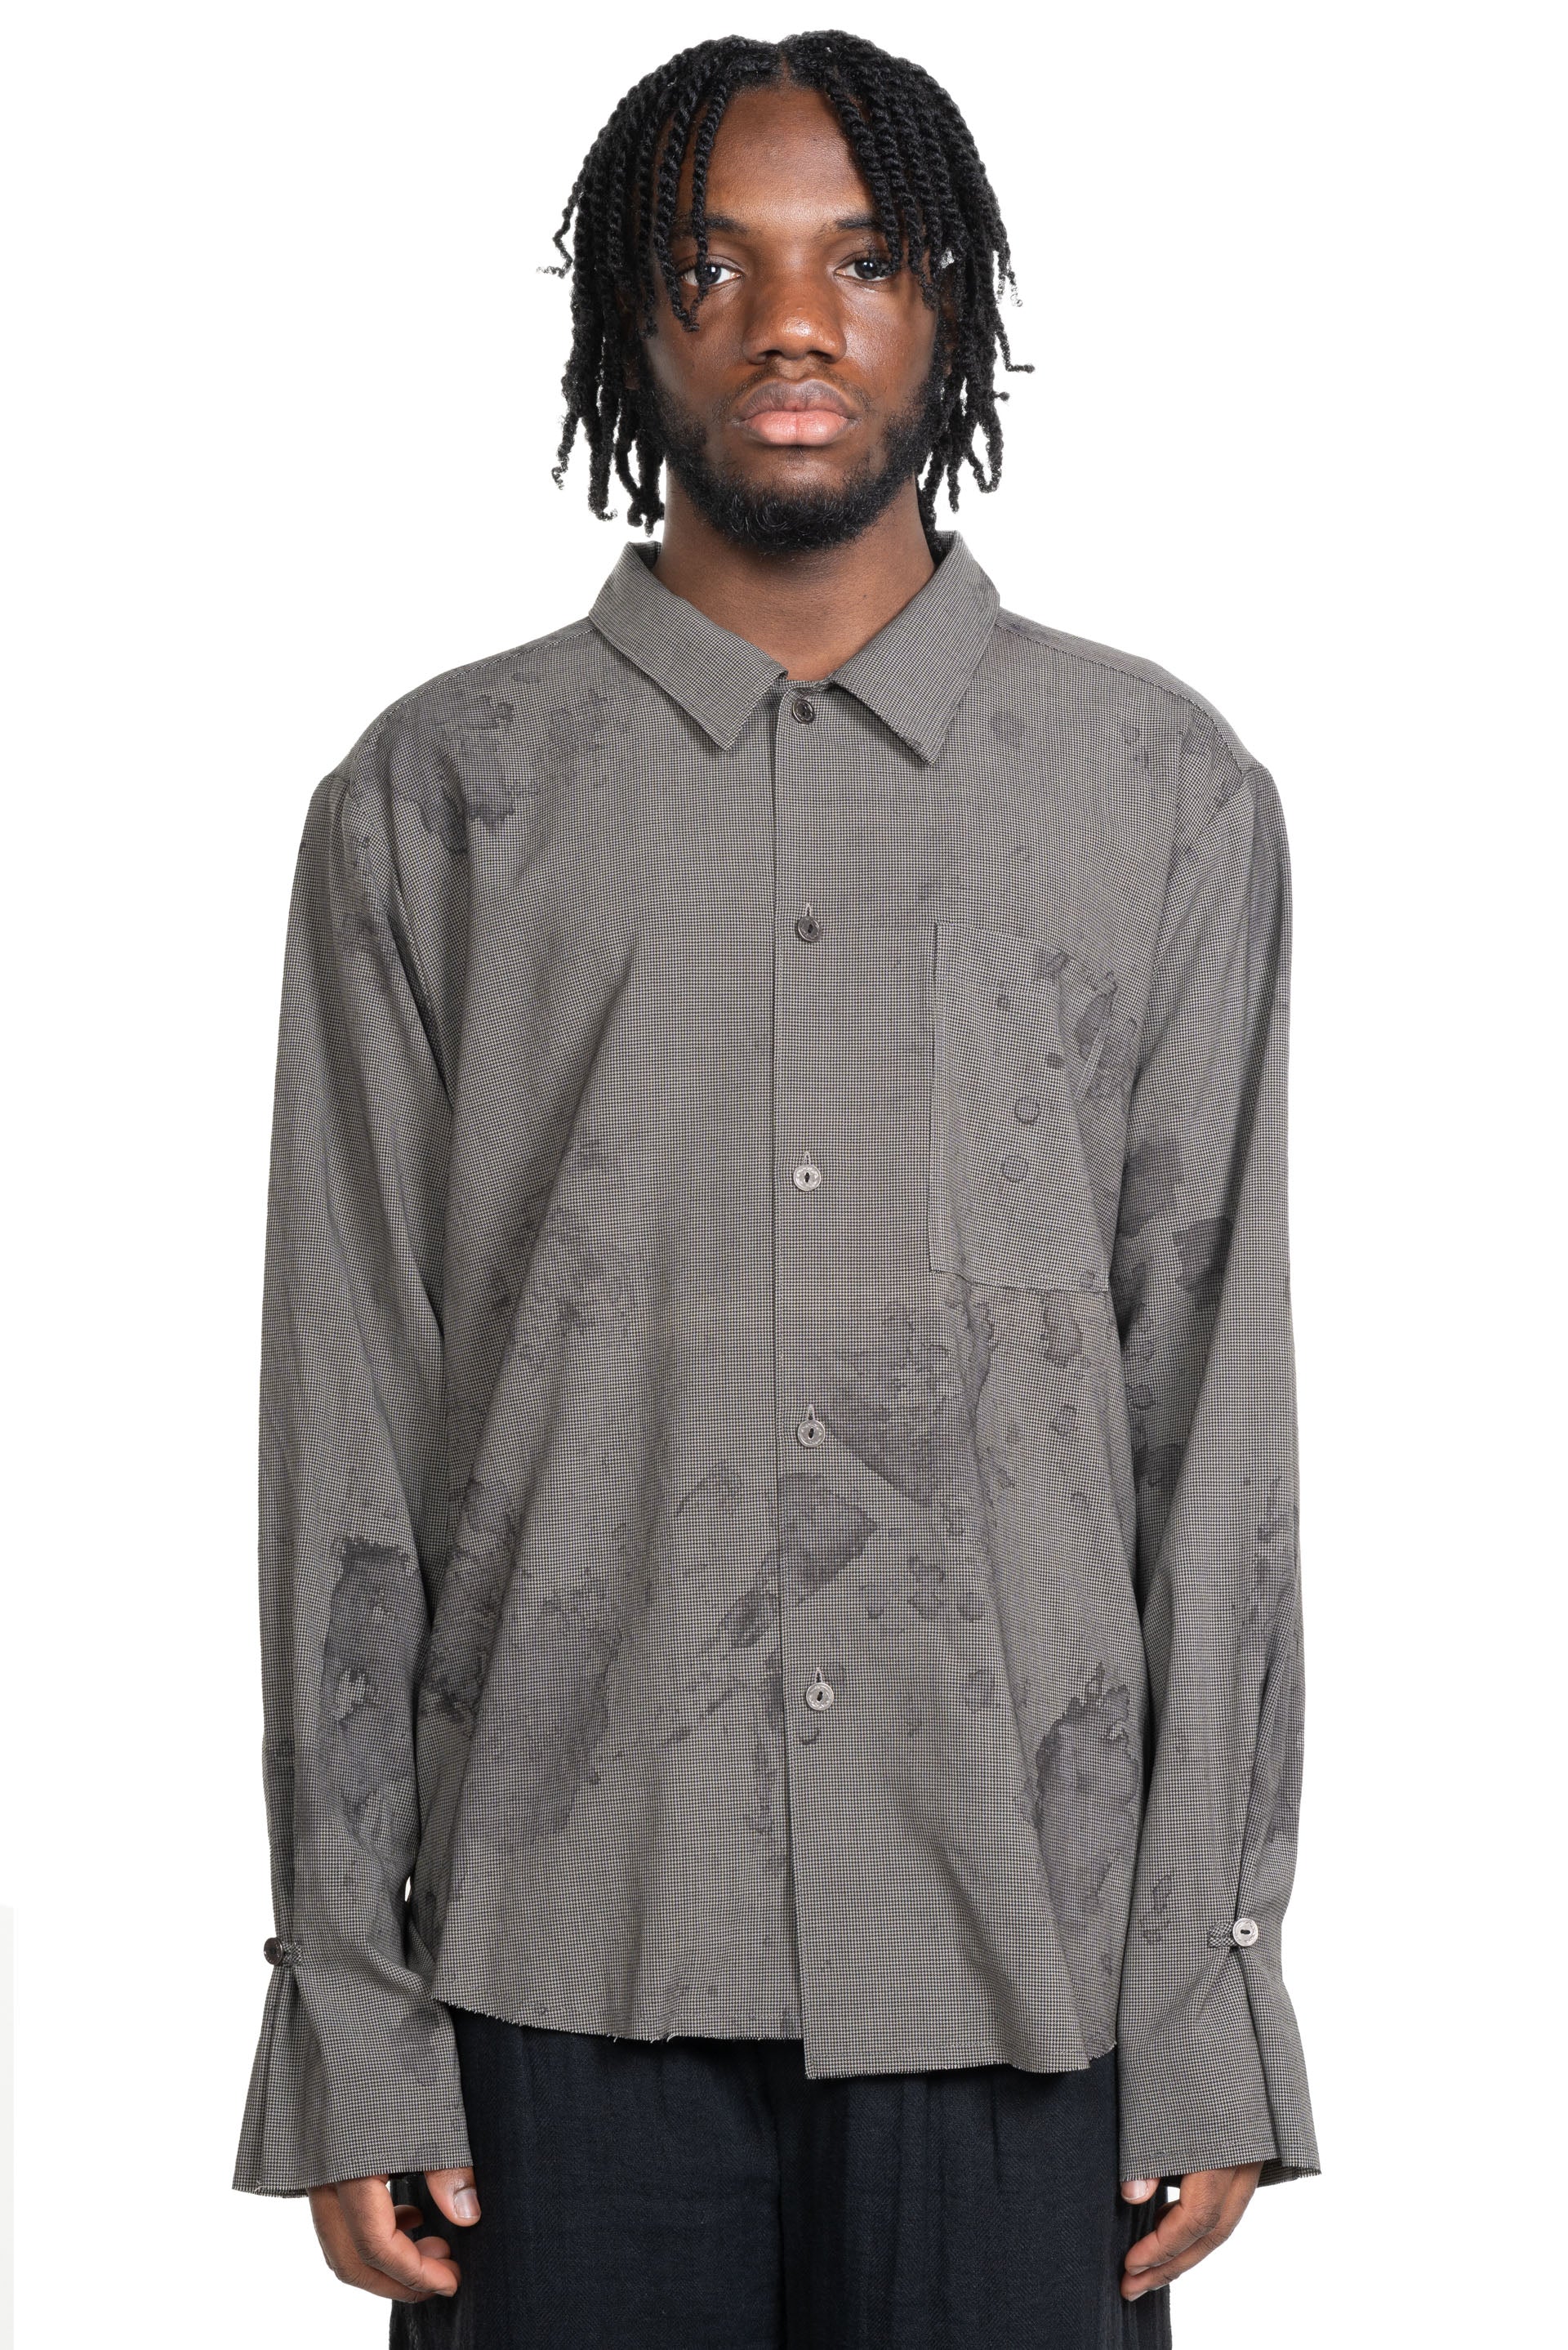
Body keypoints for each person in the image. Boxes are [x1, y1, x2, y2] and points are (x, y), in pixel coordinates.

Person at [232, 29, 1319, 2346]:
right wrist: (347, 2004)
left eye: (867, 260)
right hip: (553, 1978)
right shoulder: (439, 800)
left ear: (956, 309)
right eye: (711, 266)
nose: (793, 323)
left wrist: (1210, 1988)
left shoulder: (1159, 793)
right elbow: (346, 1439)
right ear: (625, 322)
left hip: (1025, 1992)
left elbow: (1213, 1435)